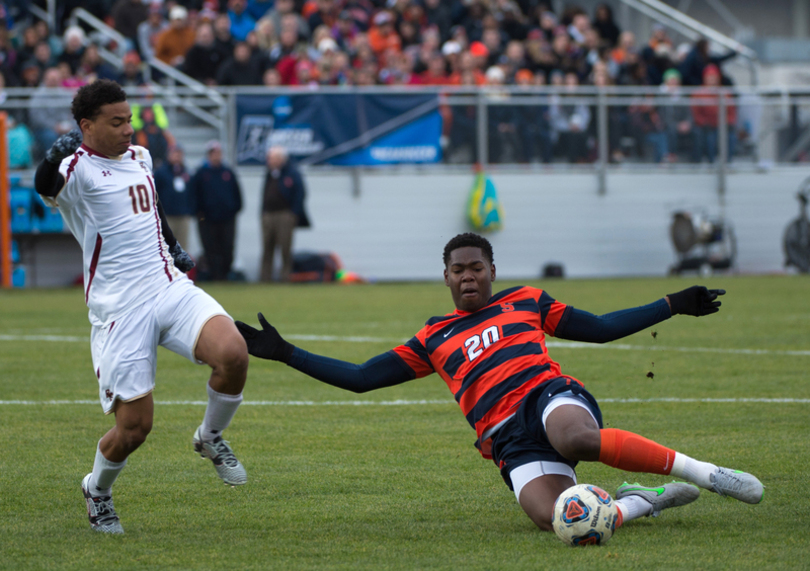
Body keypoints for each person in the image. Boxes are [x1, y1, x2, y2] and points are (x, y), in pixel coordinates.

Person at [236, 233, 763, 534]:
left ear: (492, 270)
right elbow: (360, 379)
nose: (468, 276)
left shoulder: (526, 301)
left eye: (476, 267)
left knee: (574, 438)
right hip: (507, 440)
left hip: (547, 399)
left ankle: (709, 473)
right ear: (445, 277)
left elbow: (599, 330)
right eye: (457, 269)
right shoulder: (432, 337)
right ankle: (643, 500)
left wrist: (671, 304)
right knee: (563, 521)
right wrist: (284, 353)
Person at [33, 80, 249, 535]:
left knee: (233, 352)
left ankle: (210, 437)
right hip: (119, 308)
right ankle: (97, 489)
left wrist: (174, 248)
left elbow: (152, 209)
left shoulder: (141, 157)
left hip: (166, 285)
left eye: (129, 118)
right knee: (134, 429)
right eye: (116, 122)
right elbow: (45, 186)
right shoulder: (76, 168)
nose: (128, 129)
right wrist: (52, 156)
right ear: (87, 127)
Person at [189, 140, 242, 281]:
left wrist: (233, 210)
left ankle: (225, 275)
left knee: (227, 248)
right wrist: (199, 213)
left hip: (227, 218)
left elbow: (237, 195)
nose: (216, 156)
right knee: (210, 248)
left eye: (218, 153)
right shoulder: (201, 173)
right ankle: (214, 275)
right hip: (207, 219)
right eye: (213, 153)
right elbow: (194, 195)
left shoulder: (228, 172)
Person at [260, 146, 310, 282]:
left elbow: (300, 194)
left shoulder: (292, 173)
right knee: (267, 248)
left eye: (272, 158)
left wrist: (293, 214)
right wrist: (263, 213)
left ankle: (285, 278)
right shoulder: (269, 173)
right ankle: (265, 278)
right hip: (269, 215)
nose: (269, 160)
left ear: (280, 158)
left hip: (285, 215)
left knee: (285, 248)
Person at [153, 144, 194, 246]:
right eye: (175, 153)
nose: (177, 156)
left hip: (183, 216)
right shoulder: (161, 173)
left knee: (183, 246)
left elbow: (192, 193)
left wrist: (190, 209)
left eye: (179, 154)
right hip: (167, 217)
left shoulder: (186, 172)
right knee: (166, 245)